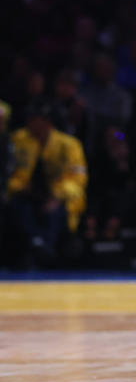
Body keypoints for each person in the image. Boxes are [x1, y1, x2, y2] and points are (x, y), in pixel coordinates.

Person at [4, 99, 87, 267]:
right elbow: (8, 174)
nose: (30, 122)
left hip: (58, 198)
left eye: (35, 119)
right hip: (25, 195)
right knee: (19, 208)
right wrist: (19, 187)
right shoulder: (18, 139)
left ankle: (45, 252)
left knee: (54, 212)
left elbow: (78, 181)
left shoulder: (69, 145)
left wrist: (56, 195)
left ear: (47, 122)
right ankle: (37, 244)